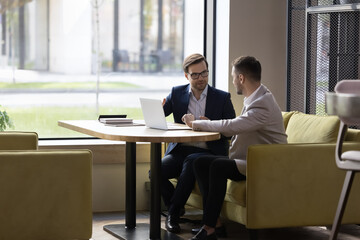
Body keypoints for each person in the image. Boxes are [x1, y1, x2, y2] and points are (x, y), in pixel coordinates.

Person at [182, 56, 288, 240]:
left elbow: (232, 125)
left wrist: (196, 123)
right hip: (249, 160)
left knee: (217, 166)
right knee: (199, 162)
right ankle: (214, 223)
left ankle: (209, 227)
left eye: (233, 77)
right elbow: (236, 127)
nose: (232, 81)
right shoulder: (257, 97)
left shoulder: (262, 104)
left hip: (265, 164)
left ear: (241, 78)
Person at [161, 53, 236, 234]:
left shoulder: (222, 98)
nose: (201, 78)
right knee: (156, 171)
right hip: (181, 150)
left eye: (204, 73)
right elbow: (160, 116)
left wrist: (210, 123)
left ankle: (172, 215)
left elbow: (232, 129)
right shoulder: (177, 93)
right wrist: (159, 108)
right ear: (187, 76)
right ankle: (177, 208)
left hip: (209, 151)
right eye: (195, 75)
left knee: (192, 162)